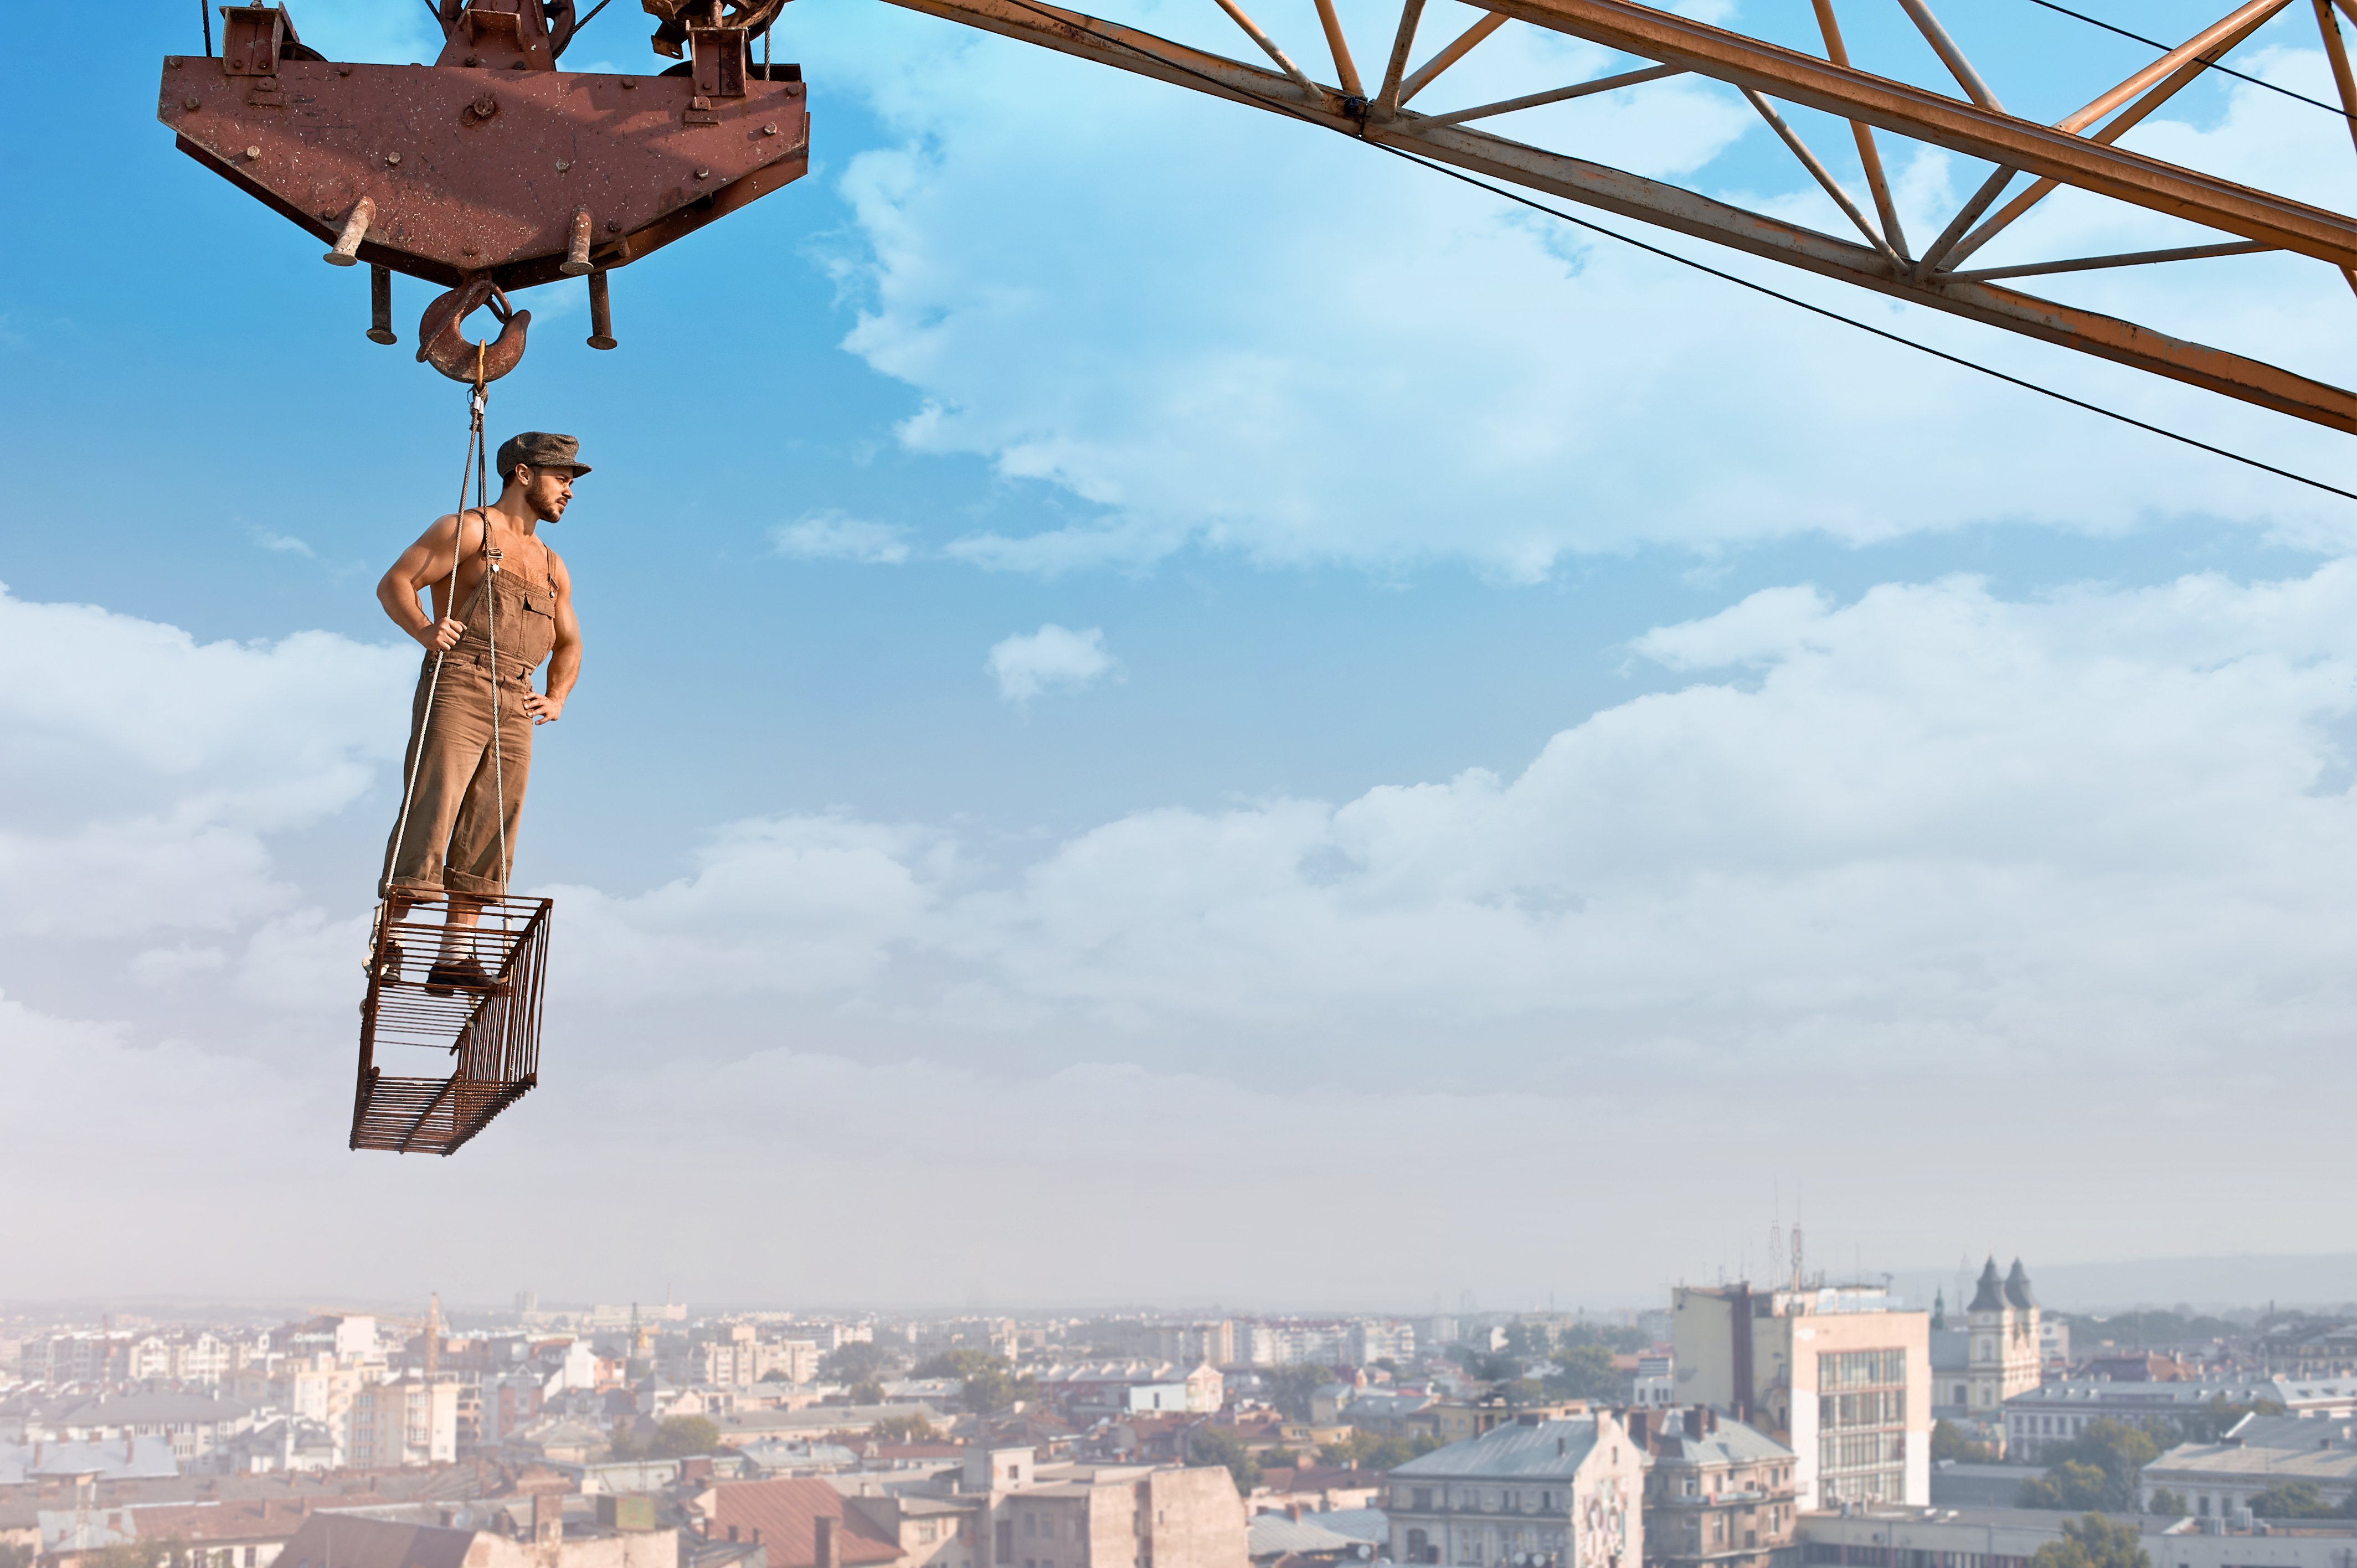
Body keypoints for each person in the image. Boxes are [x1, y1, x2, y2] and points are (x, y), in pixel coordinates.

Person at [374, 430, 585, 992]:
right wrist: (423, 628)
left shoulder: (551, 564)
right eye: (560, 476)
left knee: (492, 823)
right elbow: (395, 582)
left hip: (517, 698)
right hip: (461, 679)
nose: (569, 489)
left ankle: (454, 956)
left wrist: (557, 696)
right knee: (435, 805)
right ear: (522, 474)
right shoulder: (467, 529)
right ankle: (391, 940)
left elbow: (570, 643)